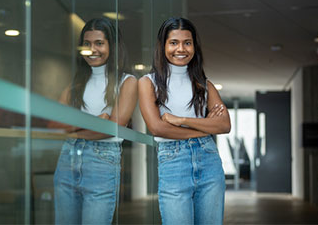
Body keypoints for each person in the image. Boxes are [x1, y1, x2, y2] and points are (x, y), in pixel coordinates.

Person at [138, 17, 231, 224]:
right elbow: (157, 128)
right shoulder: (148, 83)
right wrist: (205, 128)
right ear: (163, 46)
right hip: (173, 161)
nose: (181, 49)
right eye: (173, 42)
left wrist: (180, 120)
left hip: (209, 160)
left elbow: (224, 125)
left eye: (187, 43)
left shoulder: (204, 84)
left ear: (194, 47)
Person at [50, 18, 137, 224]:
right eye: (87, 44)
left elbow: (112, 128)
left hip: (102, 161)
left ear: (112, 46)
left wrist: (77, 126)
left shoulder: (128, 82)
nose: (92, 49)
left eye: (99, 43)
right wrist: (97, 121)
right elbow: (55, 123)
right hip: (68, 158)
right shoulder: (76, 83)